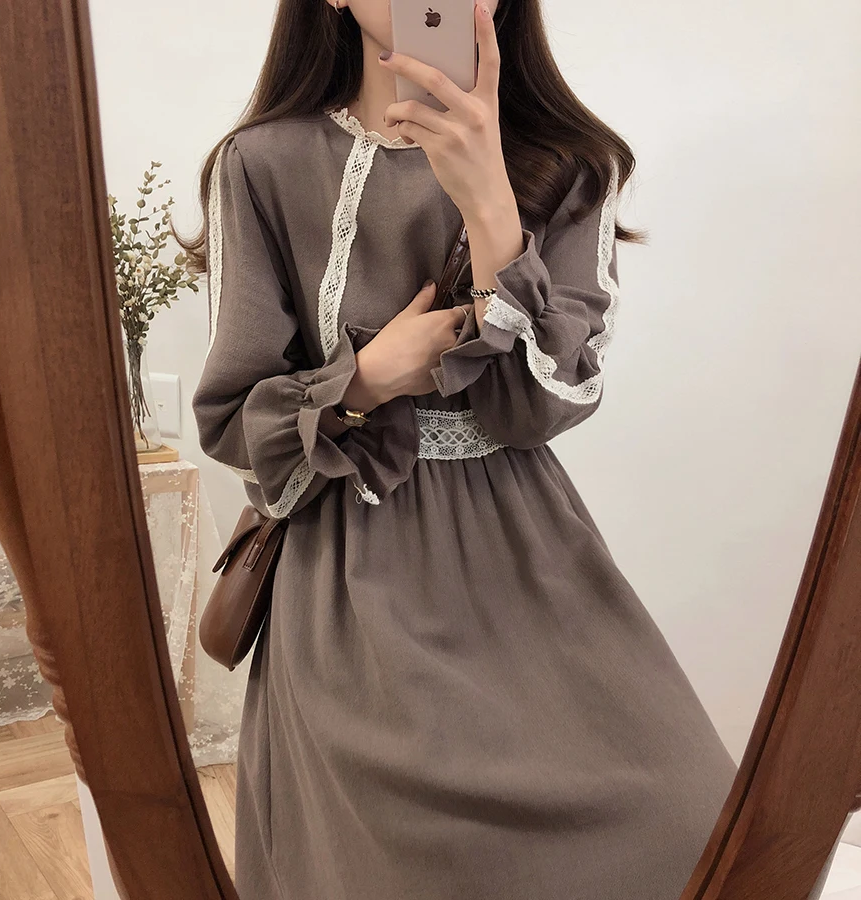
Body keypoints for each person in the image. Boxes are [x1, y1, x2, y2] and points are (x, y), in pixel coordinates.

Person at [184, 0, 738, 897]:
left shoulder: (570, 165)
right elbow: (235, 426)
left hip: (525, 562)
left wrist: (489, 202)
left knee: (690, 822)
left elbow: (537, 408)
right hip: (350, 578)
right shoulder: (262, 163)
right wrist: (363, 379)